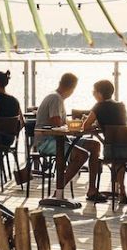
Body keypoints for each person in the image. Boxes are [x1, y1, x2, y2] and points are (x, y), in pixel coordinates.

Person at [19, 72, 86, 208]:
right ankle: (58, 192)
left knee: (94, 145)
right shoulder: (56, 98)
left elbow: (60, 123)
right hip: (46, 141)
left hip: (56, 139)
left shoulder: (56, 97)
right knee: (82, 154)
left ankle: (92, 191)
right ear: (72, 88)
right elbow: (56, 122)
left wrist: (69, 124)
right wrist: (71, 125)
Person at [80, 79, 127, 202]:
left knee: (113, 155)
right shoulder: (121, 105)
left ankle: (118, 189)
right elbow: (119, 122)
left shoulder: (98, 107)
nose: (93, 94)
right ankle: (123, 190)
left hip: (112, 150)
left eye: (94, 92)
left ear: (100, 94)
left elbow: (85, 126)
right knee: (120, 160)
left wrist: (95, 123)